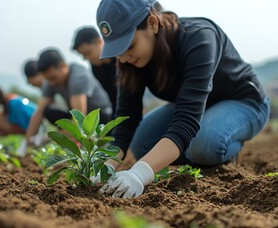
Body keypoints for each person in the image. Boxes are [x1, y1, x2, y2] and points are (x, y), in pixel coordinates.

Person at [95, 0, 270, 198]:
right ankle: (206, 156)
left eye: (129, 45)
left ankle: (221, 149)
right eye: (117, 51)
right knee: (141, 144)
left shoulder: (199, 37)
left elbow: (186, 120)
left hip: (244, 102)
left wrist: (140, 173)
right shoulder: (130, 62)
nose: (124, 57)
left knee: (204, 144)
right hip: (198, 108)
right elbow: (126, 118)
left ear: (152, 23)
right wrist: (105, 166)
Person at [24, 48, 112, 145]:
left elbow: (79, 120)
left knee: (81, 126)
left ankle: (83, 141)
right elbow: (38, 112)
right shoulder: (50, 82)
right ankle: (72, 139)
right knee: (48, 111)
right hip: (80, 116)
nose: (51, 83)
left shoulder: (78, 77)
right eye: (47, 79)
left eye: (53, 77)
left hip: (100, 117)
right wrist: (28, 142)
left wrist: (49, 137)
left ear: (63, 65)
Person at [72, 27, 118, 118]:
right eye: (82, 55)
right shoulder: (96, 68)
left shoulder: (121, 58)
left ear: (99, 41)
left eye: (87, 53)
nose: (85, 58)